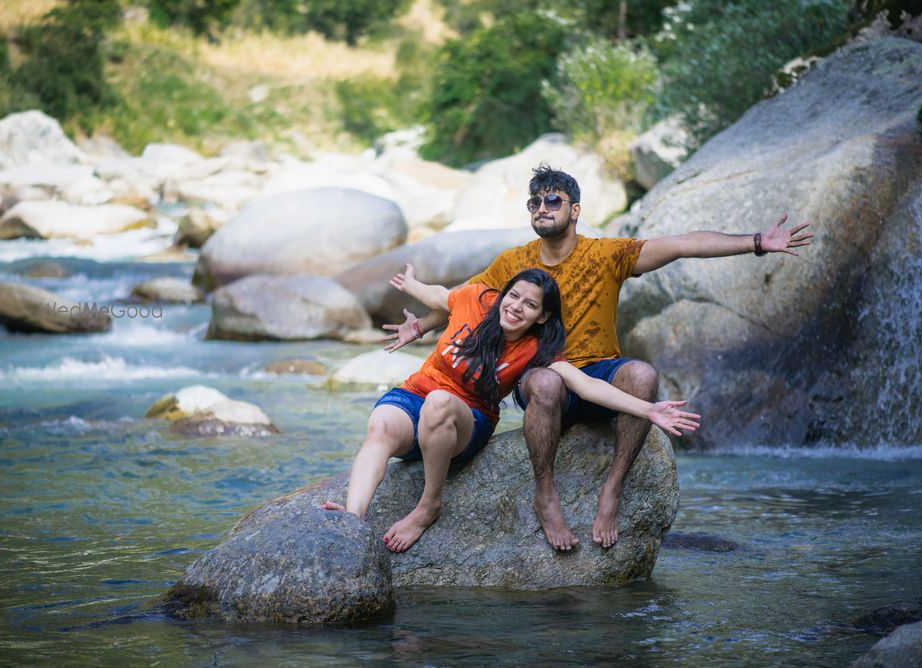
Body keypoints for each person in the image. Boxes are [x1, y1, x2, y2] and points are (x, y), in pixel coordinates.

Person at [384, 165, 813, 551]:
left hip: (599, 374)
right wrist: (421, 326)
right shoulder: (512, 263)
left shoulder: (607, 254)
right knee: (546, 381)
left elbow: (684, 244)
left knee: (642, 373)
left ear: (575, 210)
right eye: (535, 201)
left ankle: (612, 489)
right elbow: (469, 302)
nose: (542, 207)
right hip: (546, 374)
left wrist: (757, 242)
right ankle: (545, 493)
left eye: (553, 199)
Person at [324, 266, 701, 554]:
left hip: (465, 420)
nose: (516, 307)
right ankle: (353, 518)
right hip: (415, 396)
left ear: (541, 317)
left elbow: (587, 385)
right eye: (514, 296)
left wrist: (649, 409)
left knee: (439, 404)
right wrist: (412, 288)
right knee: (380, 428)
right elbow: (440, 295)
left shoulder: (537, 350)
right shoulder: (475, 300)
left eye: (530, 304)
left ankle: (428, 506)